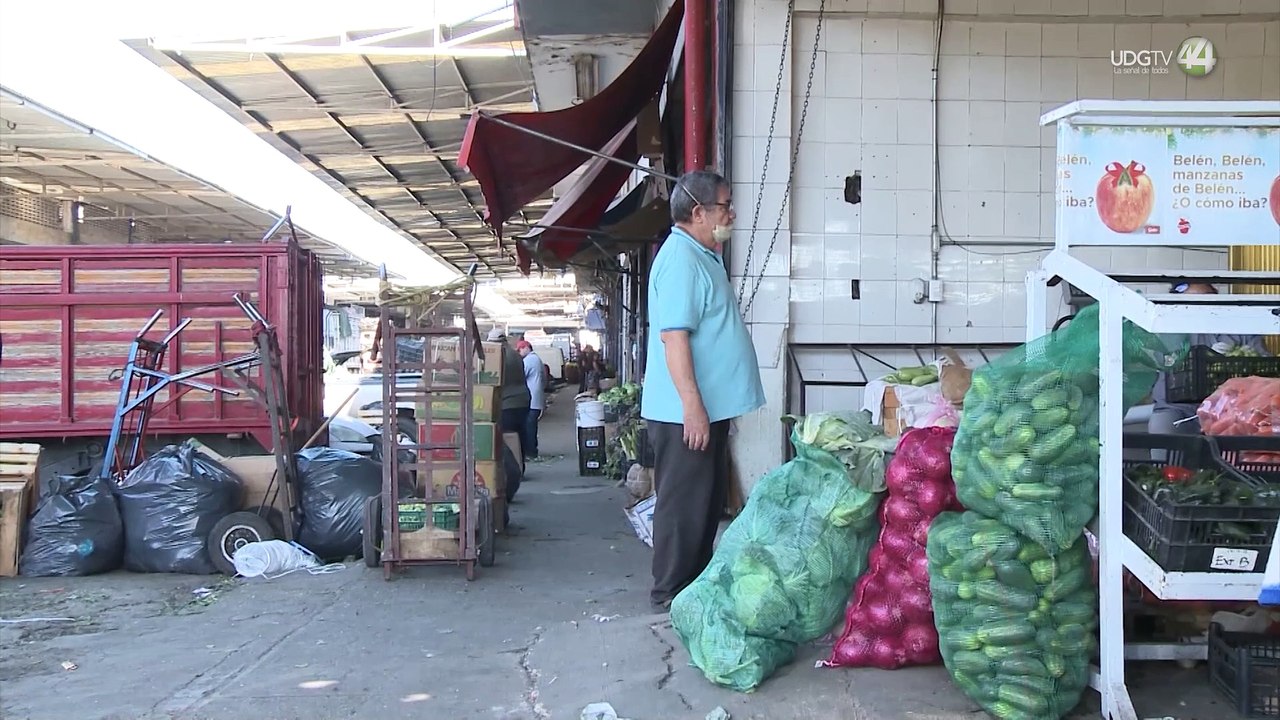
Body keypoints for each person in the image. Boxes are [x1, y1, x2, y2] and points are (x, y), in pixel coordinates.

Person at [640, 170, 764, 612]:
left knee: (705, 504)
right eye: (725, 207)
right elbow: (675, 338)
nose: (731, 215)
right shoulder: (681, 259)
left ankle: (691, 590)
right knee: (683, 505)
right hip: (684, 414)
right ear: (698, 212)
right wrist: (692, 405)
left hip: (705, 410)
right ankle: (669, 594)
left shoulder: (701, 254)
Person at [1148, 281, 1270, 437]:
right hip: (1177, 411)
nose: (1202, 307)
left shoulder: (1240, 327)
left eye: (1208, 300)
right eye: (1192, 304)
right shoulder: (1167, 331)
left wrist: (1236, 361)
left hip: (1230, 410)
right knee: (1163, 434)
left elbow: (1264, 365)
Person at [490, 327, 532, 464]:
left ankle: (513, 467)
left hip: (508, 403)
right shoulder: (515, 355)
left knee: (509, 437)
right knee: (520, 434)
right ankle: (521, 464)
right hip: (523, 400)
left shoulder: (499, 356)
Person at [517, 340, 545, 460]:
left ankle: (530, 452)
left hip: (531, 399)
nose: (519, 352)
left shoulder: (529, 360)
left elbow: (521, 376)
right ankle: (532, 450)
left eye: (520, 350)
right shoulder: (537, 359)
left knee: (529, 427)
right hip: (537, 398)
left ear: (526, 348)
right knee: (532, 426)